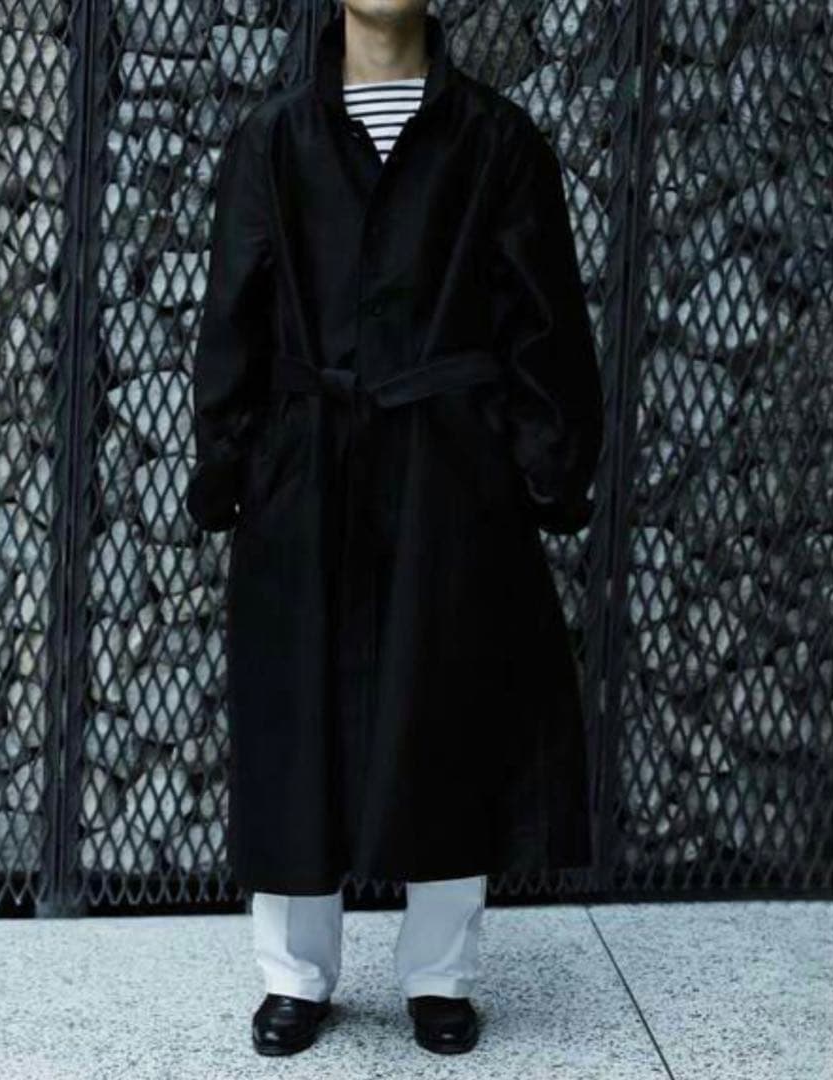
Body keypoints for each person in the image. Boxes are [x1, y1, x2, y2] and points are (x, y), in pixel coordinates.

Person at [186, 0, 605, 1058]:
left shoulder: (498, 141)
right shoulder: (272, 140)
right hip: (304, 462)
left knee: (447, 704)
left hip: (447, 469)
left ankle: (440, 974)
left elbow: (544, 319)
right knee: (297, 717)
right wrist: (227, 461)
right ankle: (294, 975)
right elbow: (234, 313)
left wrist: (543, 467)